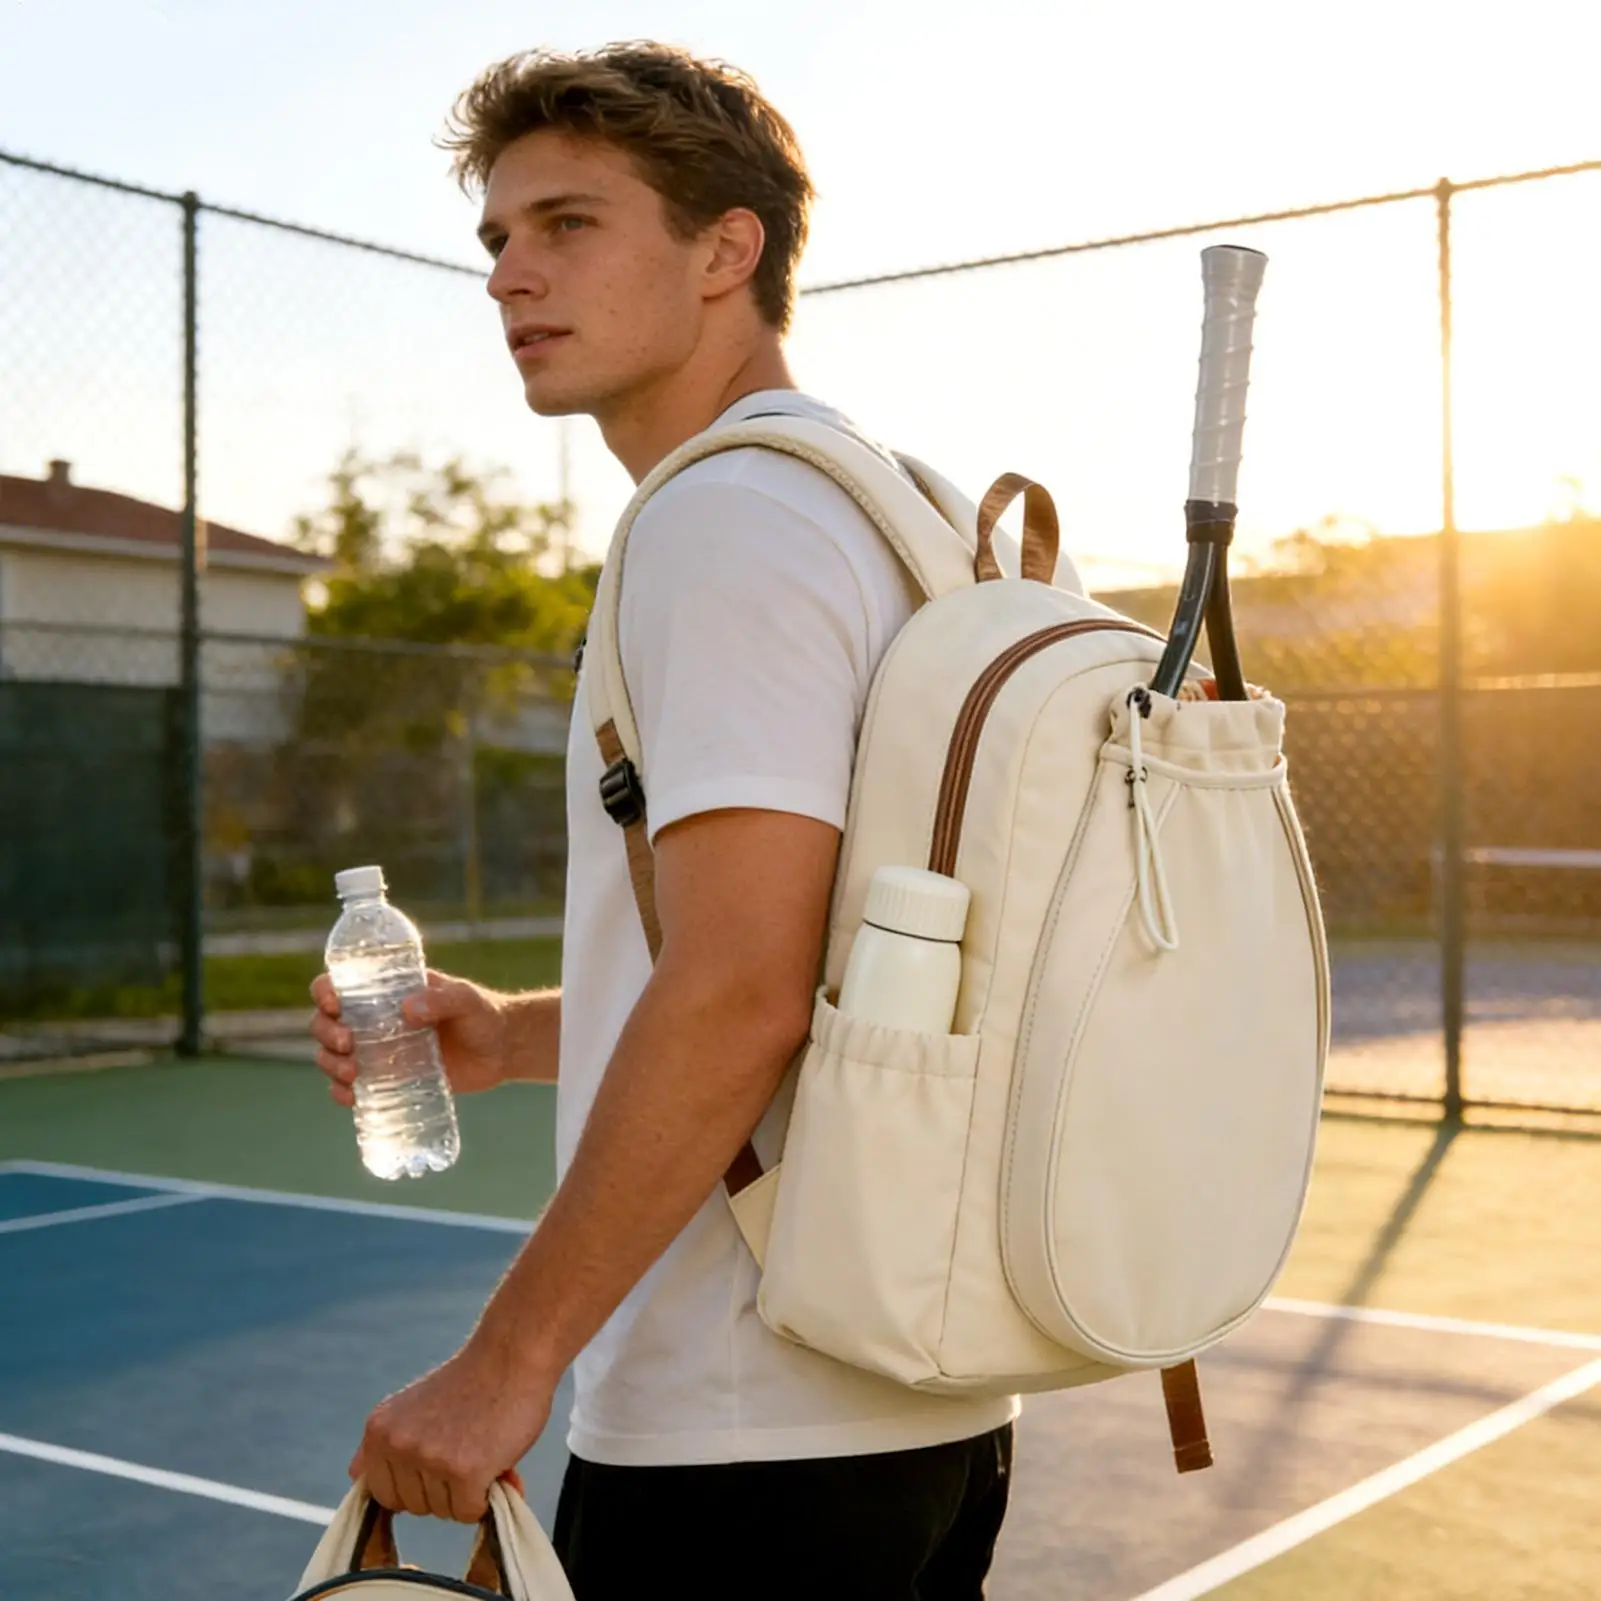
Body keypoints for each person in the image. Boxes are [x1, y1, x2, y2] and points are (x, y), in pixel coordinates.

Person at [309, 41, 1015, 1599]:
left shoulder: (719, 520)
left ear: (726, 248)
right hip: (930, 1409)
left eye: (569, 224)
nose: (511, 276)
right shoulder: (899, 504)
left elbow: (740, 989)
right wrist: (510, 1033)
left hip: (742, 1428)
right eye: (497, 238)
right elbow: (840, 961)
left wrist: (508, 1363)